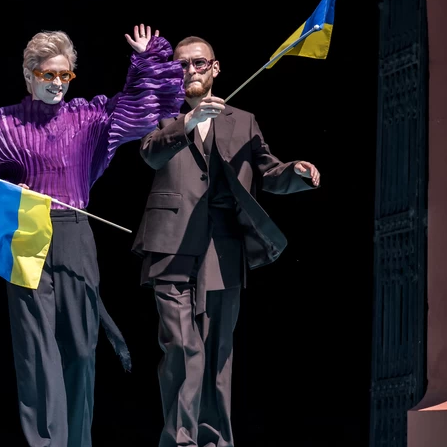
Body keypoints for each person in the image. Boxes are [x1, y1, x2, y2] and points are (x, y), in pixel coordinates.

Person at [0, 24, 185, 447]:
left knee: (80, 350)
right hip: (27, 235)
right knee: (38, 351)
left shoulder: (85, 117)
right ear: (29, 75)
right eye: (49, 74)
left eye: (65, 75)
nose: (58, 83)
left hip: (75, 234)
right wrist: (10, 196)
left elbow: (135, 108)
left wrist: (146, 59)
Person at [132, 36, 321, 447]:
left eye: (198, 63)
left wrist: (296, 171)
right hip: (171, 245)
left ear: (215, 68)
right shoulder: (162, 115)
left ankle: (215, 441)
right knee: (183, 348)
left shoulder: (243, 120)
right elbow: (151, 153)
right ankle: (180, 441)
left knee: (217, 353)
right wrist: (189, 121)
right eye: (182, 65)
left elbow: (267, 172)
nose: (190, 71)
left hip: (223, 248)